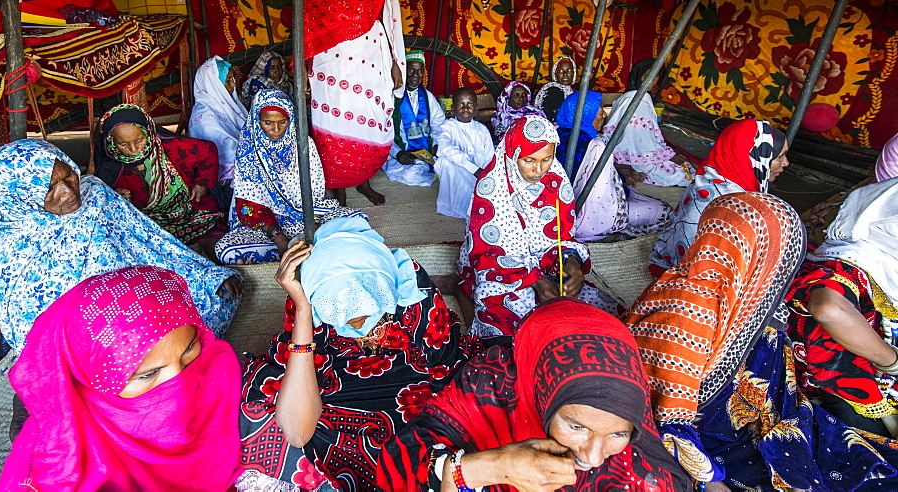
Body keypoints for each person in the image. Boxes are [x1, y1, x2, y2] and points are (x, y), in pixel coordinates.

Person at [628, 192, 898, 490]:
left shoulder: (750, 299)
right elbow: (669, 423)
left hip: (755, 422)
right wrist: (710, 480)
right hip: (712, 443)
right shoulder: (689, 313)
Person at [237, 217, 477, 492]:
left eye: (366, 295)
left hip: (415, 386)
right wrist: (303, 308)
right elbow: (297, 430)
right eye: (336, 305)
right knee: (262, 420)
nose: (356, 320)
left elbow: (443, 368)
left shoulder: (408, 286)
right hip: (336, 390)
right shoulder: (311, 301)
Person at [376, 298, 692, 491]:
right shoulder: (489, 384)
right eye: (576, 426)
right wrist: (485, 468)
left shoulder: (640, 473)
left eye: (619, 433)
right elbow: (401, 463)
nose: (594, 457)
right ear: (543, 392)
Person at [0, 266, 243, 491]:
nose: (179, 384)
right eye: (148, 374)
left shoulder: (214, 365)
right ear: (90, 380)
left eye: (188, 349)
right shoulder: (63, 467)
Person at [0, 139, 241, 349]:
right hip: (85, 331)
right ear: (20, 196)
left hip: (139, 293)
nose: (69, 192)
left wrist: (203, 274)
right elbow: (27, 319)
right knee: (142, 350)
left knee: (218, 297)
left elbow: (150, 240)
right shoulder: (9, 244)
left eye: (69, 176)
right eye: (49, 188)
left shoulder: (93, 192)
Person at [304, 0, 406, 207]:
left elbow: (391, 17)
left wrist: (395, 62)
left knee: (370, 120)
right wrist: (306, 68)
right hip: (329, 65)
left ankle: (363, 181)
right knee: (333, 125)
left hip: (371, 59)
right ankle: (337, 189)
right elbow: (308, 23)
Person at [459, 116, 599, 337]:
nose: (538, 169)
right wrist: (537, 281)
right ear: (513, 154)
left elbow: (562, 235)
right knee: (507, 324)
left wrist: (572, 263)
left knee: (589, 314)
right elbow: (489, 254)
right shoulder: (491, 188)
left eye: (547, 159)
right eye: (529, 160)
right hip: (503, 268)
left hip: (546, 259)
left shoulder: (557, 179)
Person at [787, 177, 898, 436]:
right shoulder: (844, 267)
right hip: (837, 389)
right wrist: (891, 362)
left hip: (856, 377)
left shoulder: (879, 260)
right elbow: (829, 309)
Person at [214, 89, 366, 265]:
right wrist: (277, 236)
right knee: (225, 250)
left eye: (282, 122)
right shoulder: (249, 148)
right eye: (268, 122)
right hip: (265, 224)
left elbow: (316, 191)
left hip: (305, 216)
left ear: (290, 120)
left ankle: (300, 249)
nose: (276, 129)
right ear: (257, 121)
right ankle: (316, 248)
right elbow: (247, 203)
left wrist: (311, 224)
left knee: (359, 219)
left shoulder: (303, 143)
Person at [648, 118, 789, 276]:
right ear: (756, 158)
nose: (786, 163)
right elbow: (698, 264)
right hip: (690, 276)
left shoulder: (715, 178)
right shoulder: (727, 203)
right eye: (780, 157)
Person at [95, 103, 227, 253]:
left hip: (189, 210)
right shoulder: (109, 168)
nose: (133, 149)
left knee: (215, 240)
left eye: (139, 140)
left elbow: (208, 149)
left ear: (148, 132)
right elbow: (101, 203)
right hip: (150, 224)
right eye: (123, 144)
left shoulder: (173, 147)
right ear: (111, 141)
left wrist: (202, 183)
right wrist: (114, 196)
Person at [560, 91, 672, 242]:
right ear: (587, 114)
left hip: (560, 213)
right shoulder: (595, 147)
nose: (604, 116)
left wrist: (621, 174)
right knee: (664, 212)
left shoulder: (557, 132)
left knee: (638, 197)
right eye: (599, 112)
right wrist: (623, 187)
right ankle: (606, 234)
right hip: (586, 219)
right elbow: (605, 198)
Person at [602, 58, 691, 187]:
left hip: (623, 151)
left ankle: (627, 167)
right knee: (680, 174)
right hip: (635, 153)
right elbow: (640, 139)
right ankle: (629, 168)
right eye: (647, 75)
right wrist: (668, 155)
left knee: (684, 168)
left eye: (656, 76)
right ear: (638, 76)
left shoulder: (632, 96)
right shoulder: (636, 99)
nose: (653, 80)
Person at [188, 55, 249, 210]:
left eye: (232, 79)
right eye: (228, 80)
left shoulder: (230, 107)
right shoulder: (205, 119)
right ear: (213, 84)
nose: (233, 85)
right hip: (227, 186)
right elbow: (228, 155)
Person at [382, 51, 446, 188]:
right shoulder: (393, 96)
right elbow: (383, 130)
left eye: (419, 71)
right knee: (411, 174)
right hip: (399, 148)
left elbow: (438, 124)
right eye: (411, 70)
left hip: (425, 149)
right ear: (405, 71)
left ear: (424, 73)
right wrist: (397, 152)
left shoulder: (428, 97)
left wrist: (435, 144)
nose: (415, 75)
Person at [434, 87, 495, 220]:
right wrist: (473, 169)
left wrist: (485, 175)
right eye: (461, 104)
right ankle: (453, 206)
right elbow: (445, 148)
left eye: (470, 104)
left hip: (479, 176)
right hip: (460, 173)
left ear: (476, 108)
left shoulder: (482, 130)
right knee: (445, 161)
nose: (466, 108)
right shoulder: (447, 127)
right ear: (453, 108)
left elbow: (489, 156)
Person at [533, 55, 577, 121]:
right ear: (555, 74)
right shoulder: (554, 91)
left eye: (569, 71)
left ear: (574, 74)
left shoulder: (567, 91)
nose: (565, 74)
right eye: (561, 71)